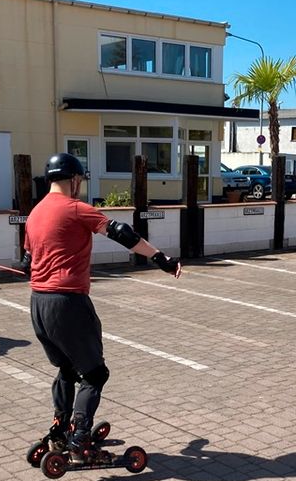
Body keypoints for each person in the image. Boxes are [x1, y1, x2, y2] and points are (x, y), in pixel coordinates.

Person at [24, 152, 181, 464]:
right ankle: (79, 438)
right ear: (74, 179)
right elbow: (122, 232)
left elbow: (27, 261)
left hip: (38, 303)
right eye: (80, 180)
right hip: (67, 303)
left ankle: (59, 429)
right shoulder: (76, 208)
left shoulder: (35, 213)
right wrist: (161, 258)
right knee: (95, 373)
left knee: (67, 369)